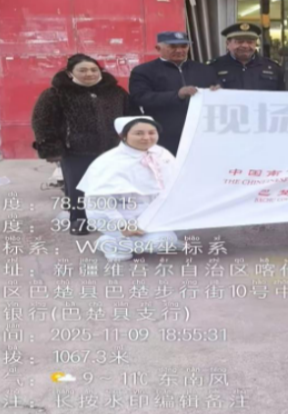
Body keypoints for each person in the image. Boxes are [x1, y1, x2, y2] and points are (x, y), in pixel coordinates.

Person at [32, 55, 132, 236]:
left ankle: (110, 220)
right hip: (75, 150)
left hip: (112, 149)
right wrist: (51, 148)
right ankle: (79, 220)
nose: (89, 74)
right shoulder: (55, 94)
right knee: (78, 187)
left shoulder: (116, 92)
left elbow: (130, 117)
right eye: (82, 70)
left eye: (94, 70)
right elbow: (42, 122)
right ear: (70, 73)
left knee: (111, 186)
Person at [78, 117, 183, 262]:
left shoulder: (161, 153)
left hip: (152, 212)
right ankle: (111, 243)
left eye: (152, 132)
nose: (146, 137)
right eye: (139, 133)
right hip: (124, 216)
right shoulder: (109, 162)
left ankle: (161, 238)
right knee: (164, 239)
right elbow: (99, 200)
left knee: (189, 220)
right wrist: (121, 224)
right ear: (123, 135)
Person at [129, 32, 218, 155]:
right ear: (158, 48)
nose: (179, 50)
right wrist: (177, 95)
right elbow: (140, 97)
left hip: (200, 133)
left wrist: (217, 92)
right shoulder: (144, 71)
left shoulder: (205, 69)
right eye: (172, 47)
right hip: (163, 134)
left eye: (184, 46)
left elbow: (217, 95)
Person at [210, 23, 286, 91]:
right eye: (239, 42)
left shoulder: (273, 69)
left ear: (255, 44)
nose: (245, 46)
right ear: (227, 44)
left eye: (250, 42)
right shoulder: (213, 68)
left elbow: (282, 97)